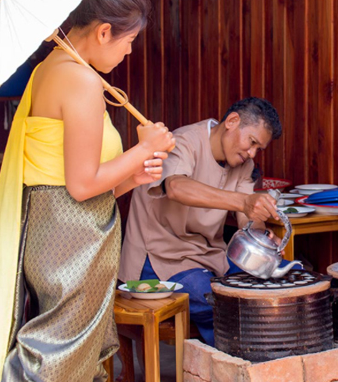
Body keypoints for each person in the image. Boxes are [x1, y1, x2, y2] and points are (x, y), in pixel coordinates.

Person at [0, 0, 175, 382]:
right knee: (58, 355)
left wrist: (132, 175)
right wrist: (145, 148)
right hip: (73, 241)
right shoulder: (80, 80)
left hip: (60, 229)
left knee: (68, 351)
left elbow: (74, 182)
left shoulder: (52, 68)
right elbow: (81, 186)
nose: (130, 50)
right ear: (103, 32)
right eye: (129, 40)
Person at [119, 97, 283, 346]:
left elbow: (246, 221)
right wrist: (243, 202)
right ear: (232, 121)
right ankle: (235, 364)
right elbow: (175, 187)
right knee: (219, 299)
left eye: (258, 149)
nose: (252, 153)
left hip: (209, 256)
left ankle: (265, 359)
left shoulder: (243, 164)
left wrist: (263, 239)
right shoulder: (182, 141)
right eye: (252, 142)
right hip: (158, 258)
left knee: (281, 283)